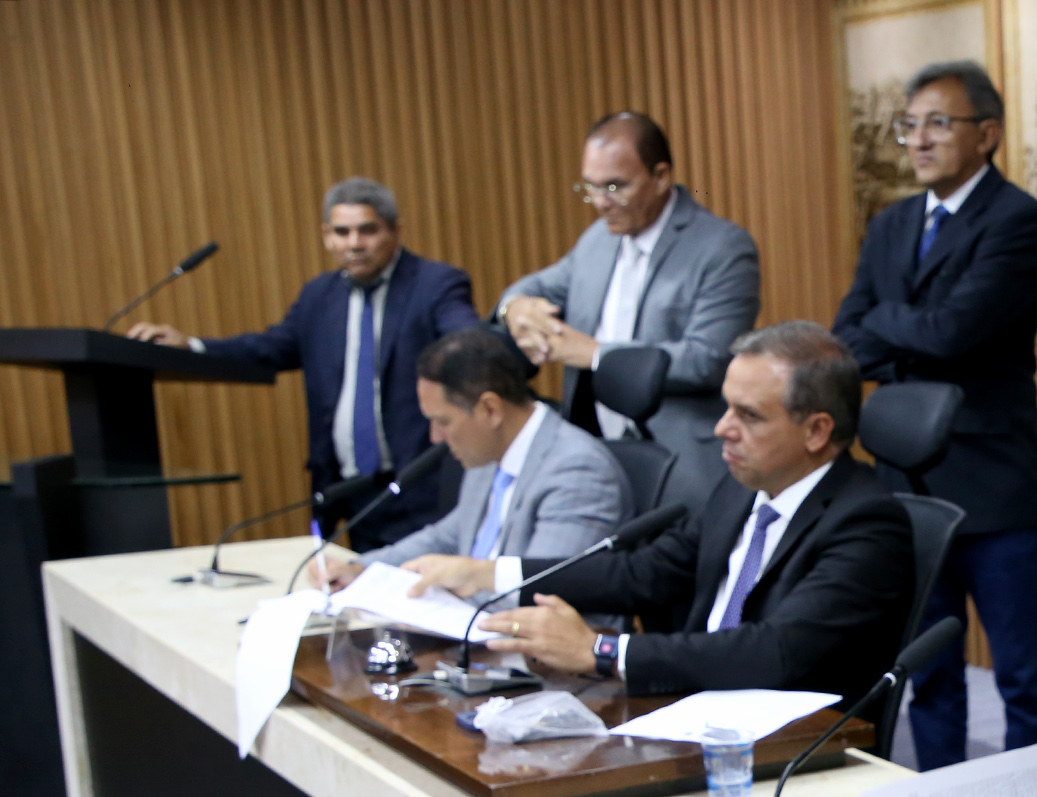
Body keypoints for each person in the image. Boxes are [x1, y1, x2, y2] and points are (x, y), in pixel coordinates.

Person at [401, 323, 913, 702]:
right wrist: (492, 573)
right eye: (726, 407)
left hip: (790, 741)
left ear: (817, 431)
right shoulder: (742, 491)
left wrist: (603, 651)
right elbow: (641, 572)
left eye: (749, 415)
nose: (722, 428)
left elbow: (775, 651)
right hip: (693, 704)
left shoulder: (867, 523)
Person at [833, 60, 1037, 769]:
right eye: (910, 125)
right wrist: (913, 327)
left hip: (991, 480)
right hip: (903, 481)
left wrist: (892, 322)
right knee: (927, 672)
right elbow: (847, 339)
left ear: (986, 133)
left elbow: (954, 333)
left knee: (1022, 676)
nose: (919, 140)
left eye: (938, 123)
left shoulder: (1017, 218)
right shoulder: (891, 223)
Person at [128, 178, 478, 550]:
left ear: (396, 231)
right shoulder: (318, 296)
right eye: (342, 232)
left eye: (368, 230)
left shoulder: (435, 285)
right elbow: (271, 347)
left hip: (420, 485)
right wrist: (192, 345)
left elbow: (468, 339)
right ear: (326, 236)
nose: (354, 243)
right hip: (349, 490)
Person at [497, 111, 759, 510]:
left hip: (683, 460)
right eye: (591, 187)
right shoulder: (597, 240)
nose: (601, 203)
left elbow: (707, 358)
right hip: (595, 455)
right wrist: (516, 308)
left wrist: (596, 354)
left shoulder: (721, 247)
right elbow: (536, 286)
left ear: (660, 177)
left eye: (616, 186)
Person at [318, 327, 628, 590]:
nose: (435, 437)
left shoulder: (576, 470)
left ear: (490, 410)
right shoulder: (491, 452)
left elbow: (539, 590)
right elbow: (448, 538)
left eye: (443, 421)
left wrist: (430, 598)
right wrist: (362, 569)